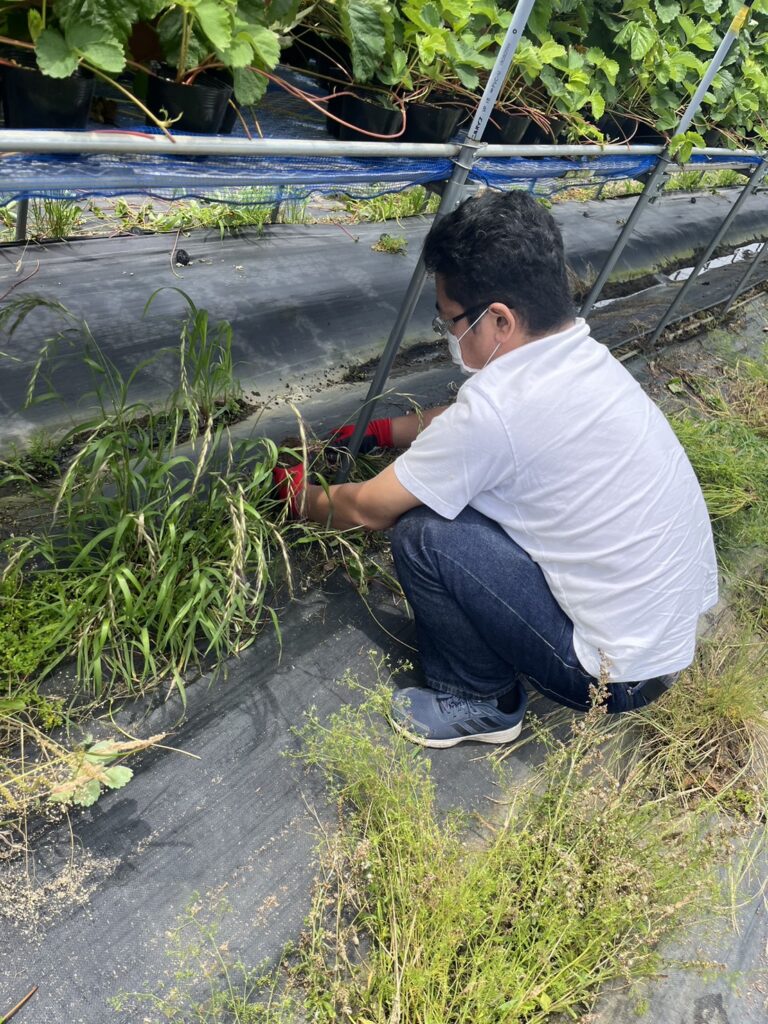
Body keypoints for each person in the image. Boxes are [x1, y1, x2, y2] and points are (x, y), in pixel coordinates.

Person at [274, 191, 718, 749]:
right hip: (666, 638)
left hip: (612, 678)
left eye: (451, 321)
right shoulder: (580, 356)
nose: (448, 335)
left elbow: (367, 508)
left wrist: (296, 494)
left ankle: (482, 702)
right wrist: (378, 433)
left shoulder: (499, 413)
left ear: (500, 319)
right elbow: (469, 417)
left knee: (423, 534)